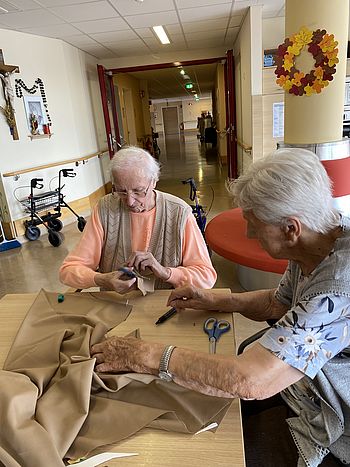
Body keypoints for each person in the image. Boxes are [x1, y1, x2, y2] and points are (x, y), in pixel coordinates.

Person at [90, 148, 350, 467]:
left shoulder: (337, 286)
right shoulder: (321, 240)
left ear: (291, 229)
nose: (248, 233)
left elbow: (252, 381)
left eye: (254, 224)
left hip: (335, 411)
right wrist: (216, 299)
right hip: (306, 381)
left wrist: (145, 355)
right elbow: (277, 303)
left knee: (219, 451)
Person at [59, 146, 216, 293]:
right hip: (116, 306)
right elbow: (68, 270)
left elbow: (206, 277)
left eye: (138, 191)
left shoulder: (179, 212)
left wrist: (166, 273)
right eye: (121, 192)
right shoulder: (105, 209)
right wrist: (101, 279)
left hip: (166, 306)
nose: (130, 202)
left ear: (154, 181)